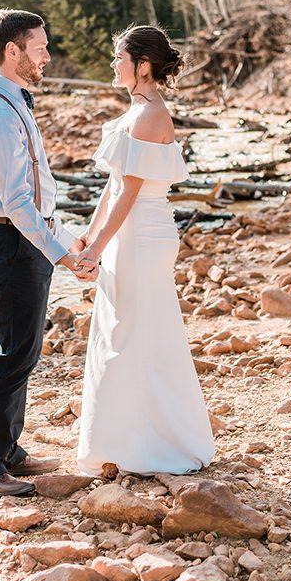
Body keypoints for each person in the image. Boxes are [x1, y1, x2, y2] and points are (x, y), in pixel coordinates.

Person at [0, 9, 98, 498]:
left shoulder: (15, 104)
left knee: (24, 352)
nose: (47, 54)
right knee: (14, 354)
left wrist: (68, 240)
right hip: (7, 242)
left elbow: (40, 193)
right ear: (12, 51)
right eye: (39, 46)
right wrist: (64, 255)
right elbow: (18, 203)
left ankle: (9, 452)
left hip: (24, 240)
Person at [76, 25, 214, 476]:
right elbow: (112, 186)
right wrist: (88, 235)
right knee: (120, 333)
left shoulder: (152, 115)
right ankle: (120, 442)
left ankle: (154, 444)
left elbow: (130, 193)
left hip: (143, 236)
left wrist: (96, 248)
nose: (113, 64)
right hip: (127, 234)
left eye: (119, 57)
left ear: (143, 65)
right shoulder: (134, 111)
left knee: (136, 336)